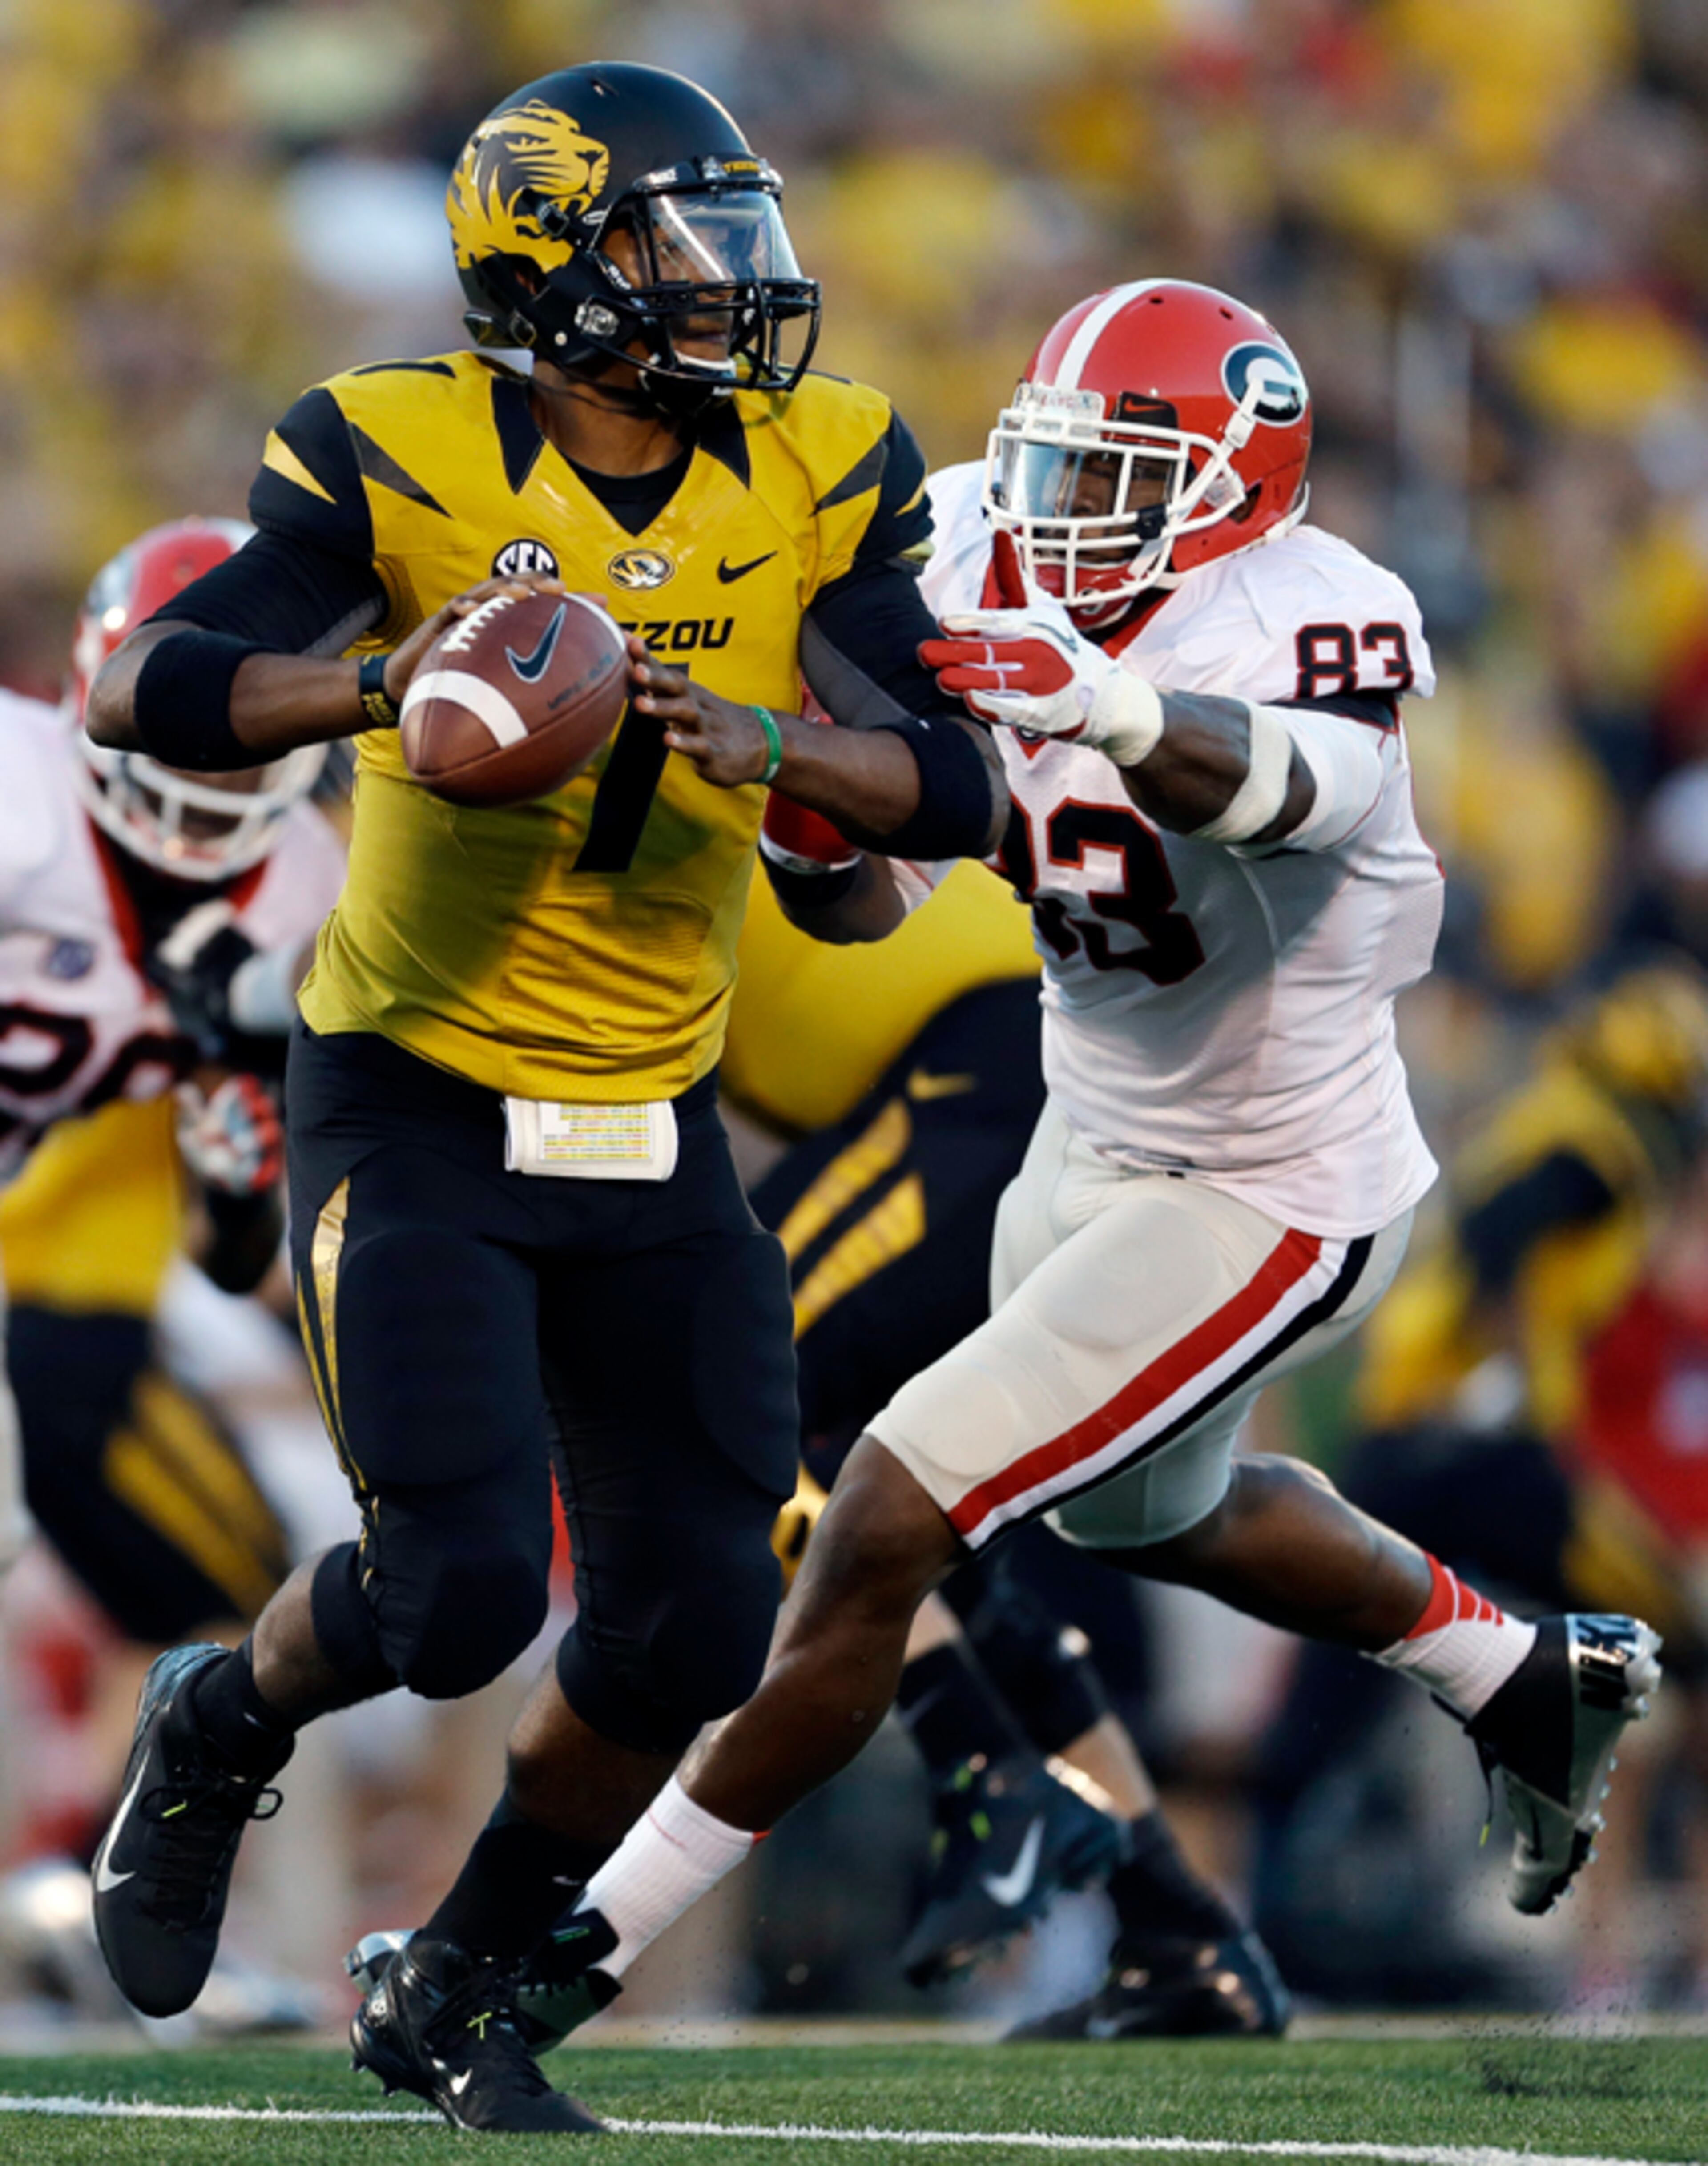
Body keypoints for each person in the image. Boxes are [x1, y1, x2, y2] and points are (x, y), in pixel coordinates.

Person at [513, 281, 1662, 2064]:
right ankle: (1517, 1672)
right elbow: (877, 888)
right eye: (1056, 463)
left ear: (1232, 489)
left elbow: (1288, 785)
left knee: (888, 1503)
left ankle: (559, 1947)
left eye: (1119, 477)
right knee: (1140, 1514)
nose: (1063, 510)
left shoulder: (1312, 609)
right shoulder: (970, 536)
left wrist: (1116, 705)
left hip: (1277, 1181)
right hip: (1090, 1117)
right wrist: (814, 820)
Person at [84, 64, 1008, 2133]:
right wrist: (390, 678)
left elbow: (952, 779)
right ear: (550, 268)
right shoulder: (394, 440)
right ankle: (220, 1716)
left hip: (654, 1117)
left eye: (737, 230)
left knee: (697, 1623)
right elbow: (154, 681)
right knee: (463, 1594)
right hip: (414, 1092)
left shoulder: (825, 458)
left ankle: (459, 1976)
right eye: (679, 240)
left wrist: (777, 745)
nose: (734, 278)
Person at [732, 865, 1287, 2031]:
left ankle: (983, 1765)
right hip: (1034, 1072)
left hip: (993, 1066)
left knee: (712, 1401)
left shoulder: (525, 821)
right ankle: (1175, 1921)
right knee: (920, 1515)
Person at [0, 517, 341, 2027]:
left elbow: (230, 1247)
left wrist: (238, 1175)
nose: (204, 768)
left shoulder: (300, 883)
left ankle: (71, 1897)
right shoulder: (20, 792)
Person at [1257, 958, 1708, 1980]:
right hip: (1470, 1439)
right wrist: (1506, 1370)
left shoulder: (1557, 1118)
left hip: (1407, 1432)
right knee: (1673, 1629)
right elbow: (1500, 1244)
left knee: (1341, 1669)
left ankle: (1267, 1900)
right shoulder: (1597, 1142)